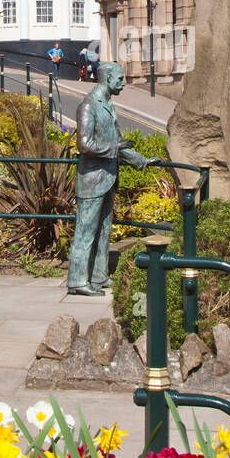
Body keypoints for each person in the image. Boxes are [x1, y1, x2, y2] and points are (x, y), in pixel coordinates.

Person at [67, 61, 159, 295]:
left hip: (107, 178)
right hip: (92, 179)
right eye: (119, 79)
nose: (123, 83)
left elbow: (119, 142)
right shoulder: (88, 106)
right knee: (85, 231)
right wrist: (114, 147)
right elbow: (84, 145)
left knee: (104, 229)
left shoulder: (107, 104)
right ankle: (78, 281)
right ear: (107, 78)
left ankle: (99, 276)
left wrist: (142, 161)